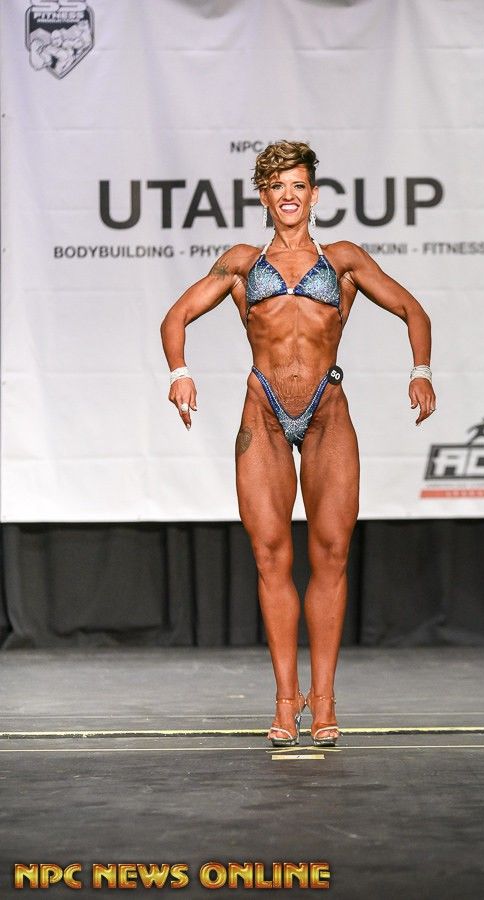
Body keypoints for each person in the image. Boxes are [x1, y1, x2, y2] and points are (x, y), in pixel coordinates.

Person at [160, 141, 435, 748]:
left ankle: (325, 700)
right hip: (262, 411)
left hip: (325, 414)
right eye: (278, 186)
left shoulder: (342, 260)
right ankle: (287, 701)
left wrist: (421, 371)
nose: (289, 195)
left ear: (313, 194)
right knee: (270, 556)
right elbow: (174, 318)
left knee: (331, 553)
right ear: (264, 196)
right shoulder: (242, 263)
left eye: (299, 186)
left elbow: (413, 310)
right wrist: (179, 373)